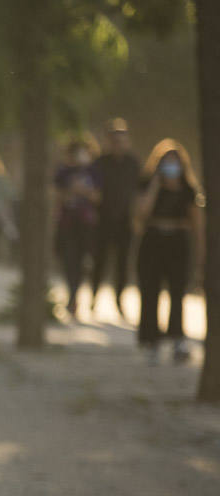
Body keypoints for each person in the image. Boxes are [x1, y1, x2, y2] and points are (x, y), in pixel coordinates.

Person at [132, 138, 205, 364]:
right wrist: (156, 185)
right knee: (150, 291)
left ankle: (177, 339)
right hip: (152, 241)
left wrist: (202, 255)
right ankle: (151, 340)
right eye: (166, 163)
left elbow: (197, 224)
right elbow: (140, 215)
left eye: (175, 163)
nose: (171, 167)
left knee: (177, 292)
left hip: (178, 243)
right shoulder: (148, 184)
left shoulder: (189, 190)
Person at [91, 118, 141, 317]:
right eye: (114, 141)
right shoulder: (100, 163)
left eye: (121, 140)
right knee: (99, 261)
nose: (118, 145)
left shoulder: (133, 164)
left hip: (125, 221)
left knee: (123, 263)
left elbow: (138, 191)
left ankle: (120, 301)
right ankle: (93, 298)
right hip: (102, 220)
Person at [53, 137, 101, 317]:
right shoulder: (63, 172)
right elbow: (57, 197)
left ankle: (75, 295)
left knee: (82, 261)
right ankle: (72, 294)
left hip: (86, 224)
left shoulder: (93, 172)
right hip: (67, 223)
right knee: (68, 259)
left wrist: (84, 191)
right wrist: (70, 191)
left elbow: (98, 197)